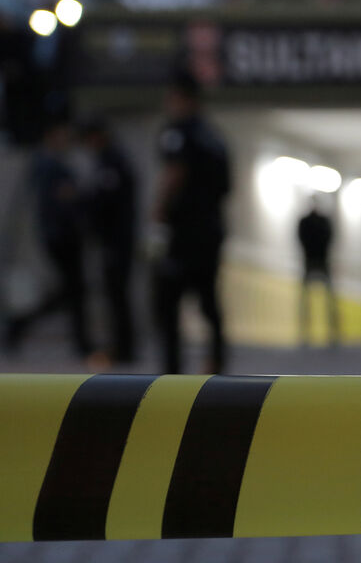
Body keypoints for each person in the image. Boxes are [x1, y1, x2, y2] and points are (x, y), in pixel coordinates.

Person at [152, 72, 232, 373]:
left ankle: (171, 370)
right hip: (211, 230)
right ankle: (217, 362)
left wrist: (158, 209)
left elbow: (175, 171)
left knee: (168, 301)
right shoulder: (215, 137)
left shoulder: (178, 132)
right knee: (209, 300)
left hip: (184, 231)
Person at [4, 119, 102, 365]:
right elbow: (60, 203)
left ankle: (21, 327)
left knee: (69, 293)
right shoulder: (49, 165)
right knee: (72, 292)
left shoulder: (49, 163)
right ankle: (78, 343)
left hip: (61, 236)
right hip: (62, 237)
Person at [80, 117, 138, 363]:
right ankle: (121, 347)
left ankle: (124, 349)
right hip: (113, 239)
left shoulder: (113, 161)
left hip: (117, 240)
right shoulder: (108, 159)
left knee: (118, 295)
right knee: (115, 296)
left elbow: (106, 202)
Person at [297, 198, 339, 346]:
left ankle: (333, 332)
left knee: (328, 300)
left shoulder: (317, 221)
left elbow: (328, 238)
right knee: (306, 301)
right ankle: (305, 332)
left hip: (319, 260)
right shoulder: (311, 222)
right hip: (312, 261)